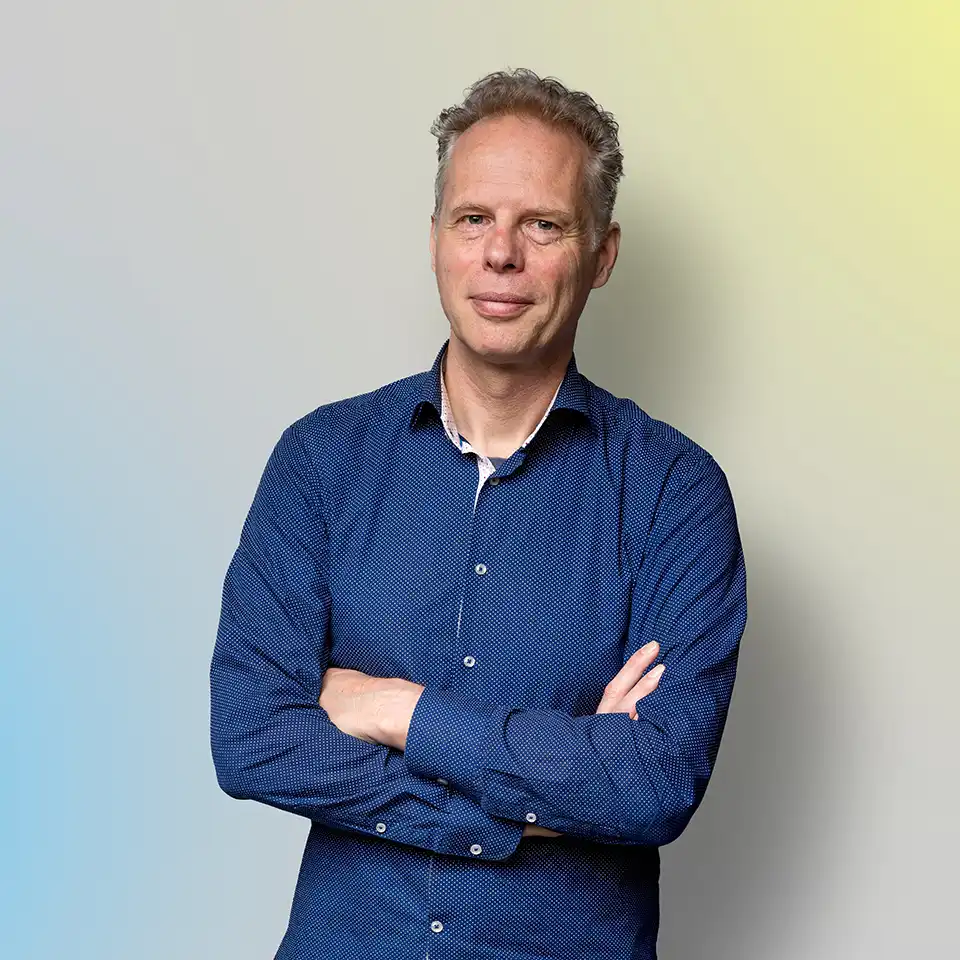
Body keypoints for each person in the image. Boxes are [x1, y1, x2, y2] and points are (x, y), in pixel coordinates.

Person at [210, 67, 748, 960]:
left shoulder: (672, 495)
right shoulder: (321, 462)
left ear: (602, 254)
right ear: (434, 239)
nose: (501, 254)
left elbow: (653, 782)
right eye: (473, 219)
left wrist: (396, 710)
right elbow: (252, 737)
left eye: (543, 225)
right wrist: (535, 798)